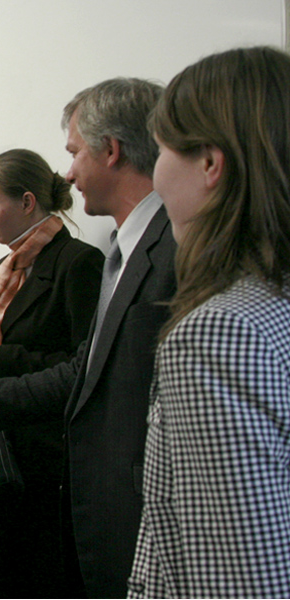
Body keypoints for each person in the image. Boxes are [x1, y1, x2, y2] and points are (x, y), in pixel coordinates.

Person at [0, 78, 177, 598]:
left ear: (112, 151)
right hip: (9, 460)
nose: (70, 172)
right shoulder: (19, 264)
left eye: (75, 152)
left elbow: (83, 372)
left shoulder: (96, 261)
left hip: (56, 473)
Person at [127, 46, 290, 599]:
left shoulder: (219, 335)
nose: (155, 176)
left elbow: (237, 583)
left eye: (161, 150)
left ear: (210, 165)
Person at [0, 149, 103, 597]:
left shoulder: (79, 263)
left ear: (28, 202)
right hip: (2, 460)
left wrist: (4, 357)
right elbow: (2, 350)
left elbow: (85, 370)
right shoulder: (8, 266)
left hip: (45, 469)